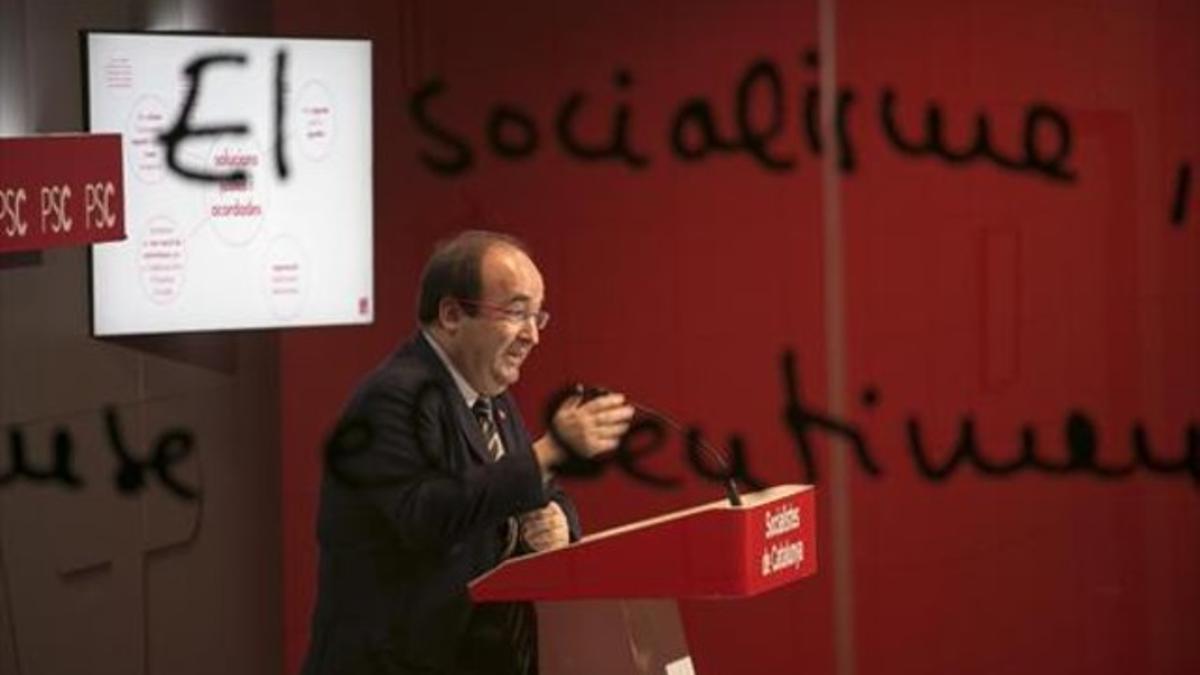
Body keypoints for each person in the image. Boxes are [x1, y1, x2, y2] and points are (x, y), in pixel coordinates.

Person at [302, 230, 634, 675]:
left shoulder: (490, 399)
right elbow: (426, 516)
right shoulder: (392, 398)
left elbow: (525, 490)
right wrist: (549, 451)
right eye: (517, 313)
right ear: (453, 314)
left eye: (538, 316)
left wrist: (559, 521)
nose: (532, 336)